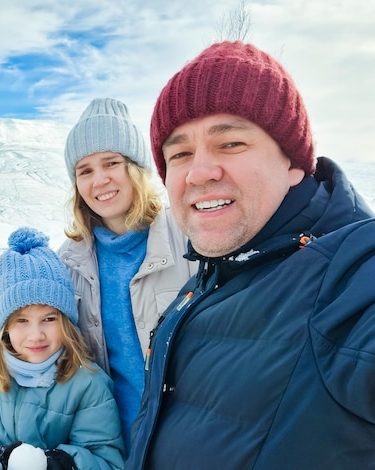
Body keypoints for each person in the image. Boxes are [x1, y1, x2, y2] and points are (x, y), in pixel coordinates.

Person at [126, 40, 375, 469]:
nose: (200, 172)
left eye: (232, 143)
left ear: (294, 163)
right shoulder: (207, 280)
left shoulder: (351, 282)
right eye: (180, 154)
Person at [58, 97, 196, 451]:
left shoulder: (187, 238)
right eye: (85, 170)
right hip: (113, 446)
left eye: (111, 163)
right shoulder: (70, 262)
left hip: (186, 442)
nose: (99, 180)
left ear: (135, 168)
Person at [0, 226, 125, 470]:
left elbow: (106, 460)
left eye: (49, 319)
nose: (36, 335)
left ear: (66, 321)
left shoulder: (87, 384)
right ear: (5, 326)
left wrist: (62, 464)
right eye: (22, 321)